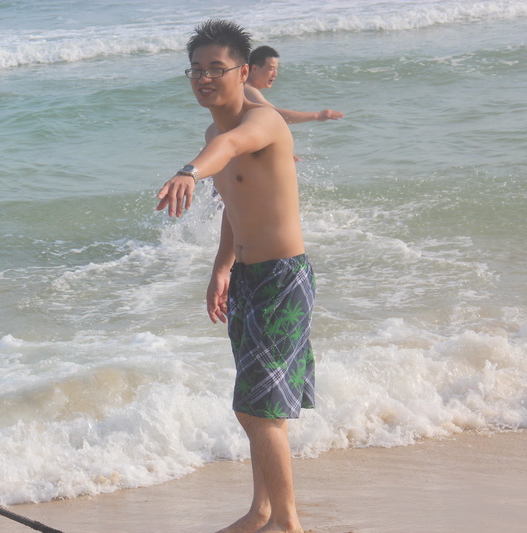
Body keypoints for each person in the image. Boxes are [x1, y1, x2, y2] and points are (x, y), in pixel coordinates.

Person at [156, 20, 315, 533]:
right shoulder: (212, 133)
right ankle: (261, 511)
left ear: (243, 72)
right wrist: (222, 267)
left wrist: (188, 170)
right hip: (247, 277)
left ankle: (287, 524)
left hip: (281, 278)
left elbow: (228, 150)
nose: (204, 78)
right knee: (255, 408)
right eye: (196, 70)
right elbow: (234, 205)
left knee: (260, 409)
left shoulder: (261, 121)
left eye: (216, 69)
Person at [245, 45, 343, 124]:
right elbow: (276, 115)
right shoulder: (247, 89)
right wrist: (317, 115)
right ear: (254, 68)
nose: (275, 74)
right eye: (271, 69)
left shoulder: (247, 88)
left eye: (276, 69)